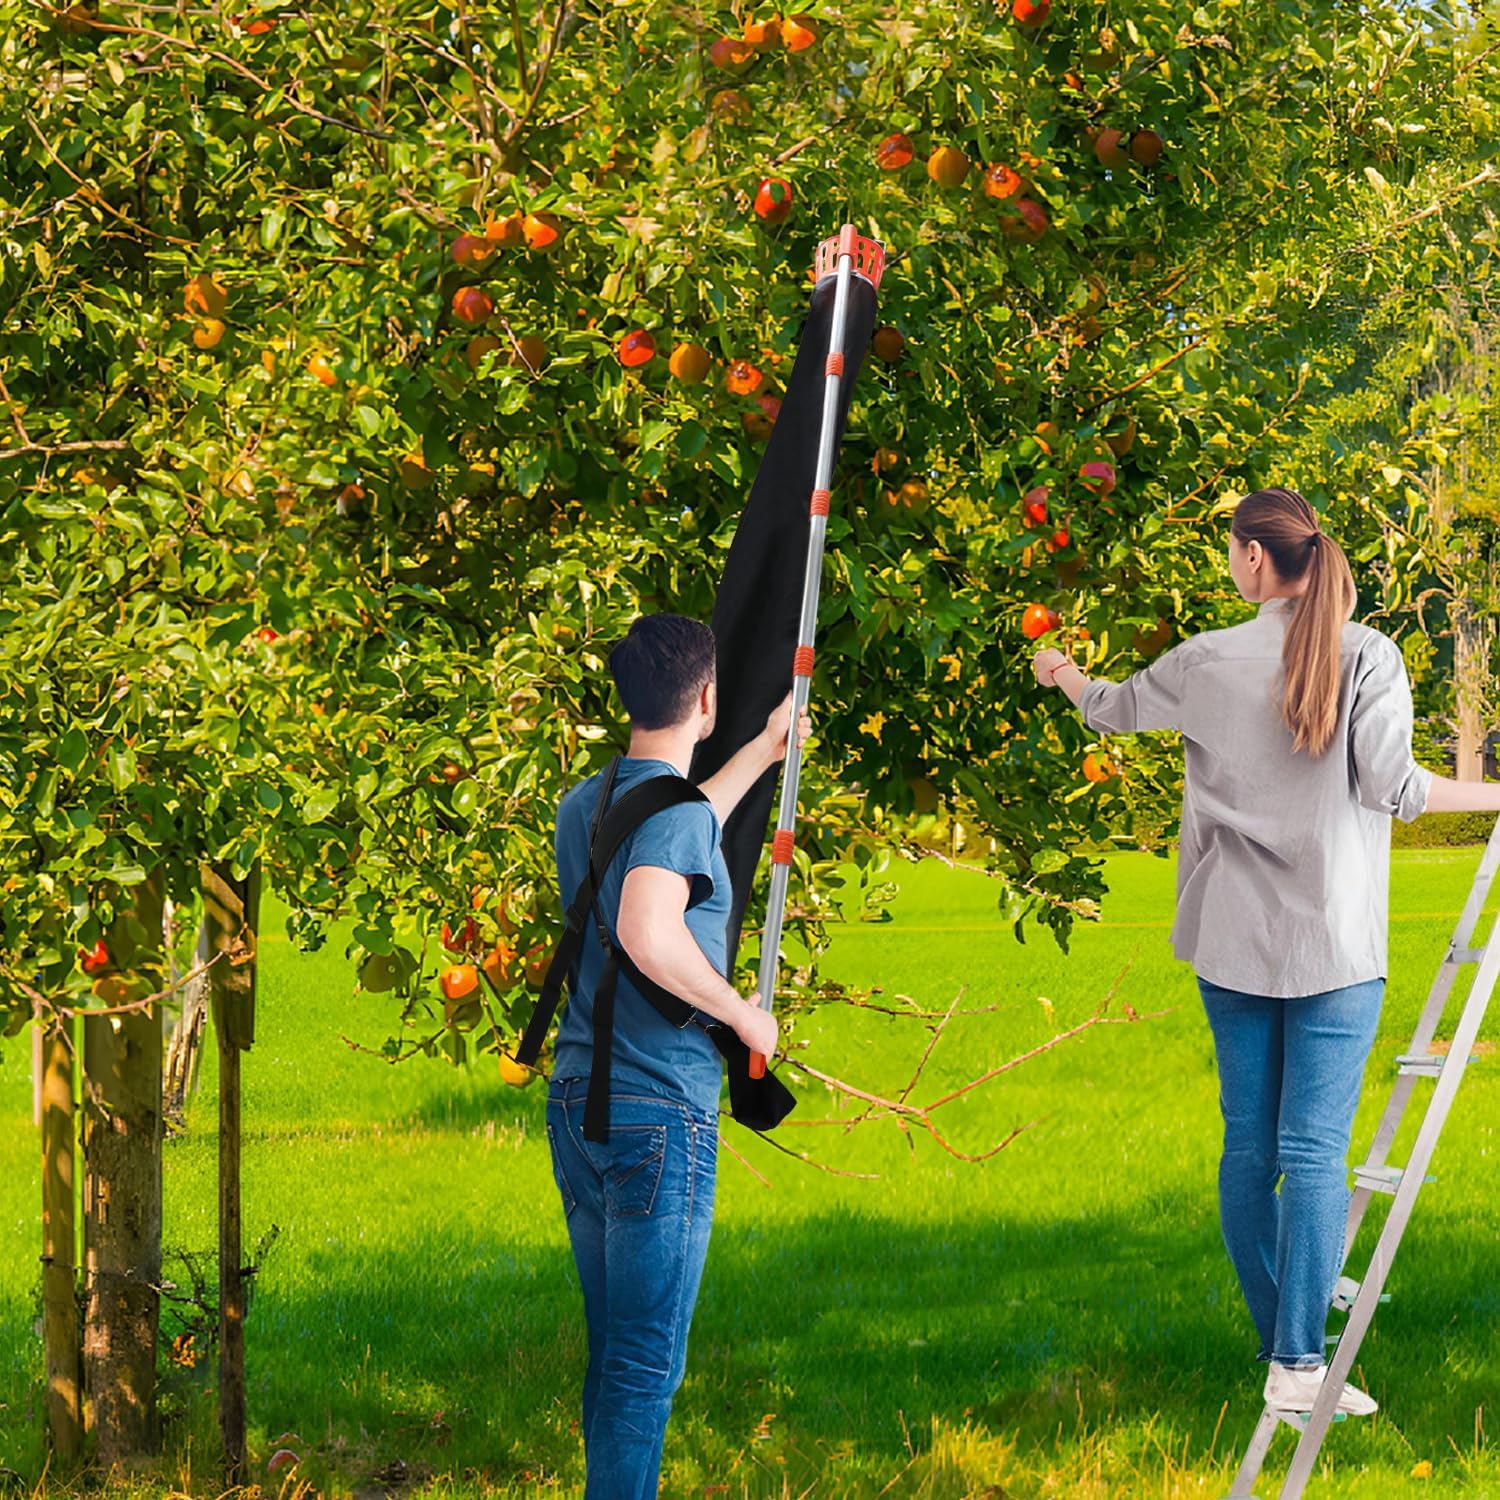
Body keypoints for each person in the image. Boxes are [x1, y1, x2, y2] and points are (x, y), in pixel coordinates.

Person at [1032, 486, 1500, 1415]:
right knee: (1315, 1151)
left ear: (1253, 557)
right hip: (1335, 941)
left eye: (1229, 549)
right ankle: (1297, 1359)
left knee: (1250, 1148)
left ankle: (1285, 1349)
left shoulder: (1204, 661)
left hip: (1232, 940)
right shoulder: (1368, 654)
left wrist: (1062, 671)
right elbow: (1398, 790)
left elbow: (1110, 711)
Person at [546, 612, 807, 1500]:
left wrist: (764, 750)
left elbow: (678, 820)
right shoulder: (676, 819)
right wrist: (742, 1016)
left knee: (615, 1354)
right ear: (706, 700)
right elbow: (647, 928)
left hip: (579, 1104)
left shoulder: (585, 804)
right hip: (658, 1113)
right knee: (643, 1364)